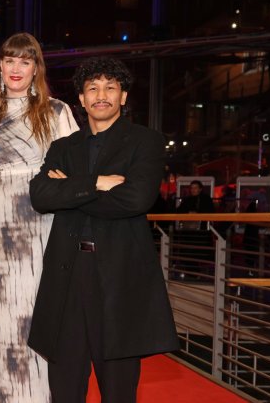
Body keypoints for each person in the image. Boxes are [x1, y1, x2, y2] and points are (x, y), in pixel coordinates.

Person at [27, 56, 178, 402]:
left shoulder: (146, 141)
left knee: (118, 392)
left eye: (110, 87)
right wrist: (98, 182)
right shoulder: (63, 147)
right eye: (92, 88)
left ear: (123, 96)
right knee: (64, 389)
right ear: (81, 99)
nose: (101, 95)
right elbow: (41, 196)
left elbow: (136, 199)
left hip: (119, 280)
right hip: (66, 278)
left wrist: (72, 190)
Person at [0, 32, 79, 402]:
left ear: (36, 69)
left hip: (41, 229)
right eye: (10, 60)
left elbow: (75, 172)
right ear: (0, 66)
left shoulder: (57, 112)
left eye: (25, 61)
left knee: (39, 319)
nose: (16, 68)